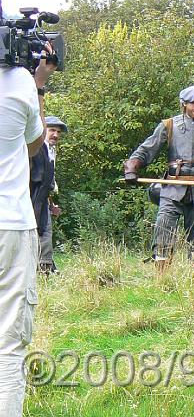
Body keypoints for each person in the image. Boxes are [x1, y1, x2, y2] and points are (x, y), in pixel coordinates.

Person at [124, 85, 194, 273]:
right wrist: (132, 167)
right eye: (193, 102)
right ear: (183, 104)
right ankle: (161, 268)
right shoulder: (169, 125)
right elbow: (146, 149)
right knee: (164, 224)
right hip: (173, 187)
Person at [0, 31, 56, 414]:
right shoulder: (19, 82)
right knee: (7, 343)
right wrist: (36, 81)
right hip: (10, 222)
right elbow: (34, 144)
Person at [30, 116, 67, 275]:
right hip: (29, 200)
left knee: (44, 232)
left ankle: (45, 267)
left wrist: (51, 205)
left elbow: (46, 183)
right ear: (42, 130)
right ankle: (44, 269)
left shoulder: (50, 150)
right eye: (52, 130)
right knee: (41, 232)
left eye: (58, 132)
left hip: (41, 199)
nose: (56, 135)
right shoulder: (36, 150)